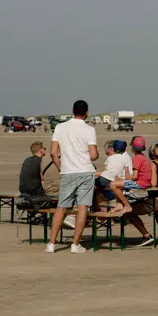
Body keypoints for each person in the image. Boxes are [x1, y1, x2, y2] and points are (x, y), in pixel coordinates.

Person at [46, 100, 99, 253]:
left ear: (72, 111)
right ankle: (75, 244)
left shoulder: (60, 127)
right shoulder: (89, 129)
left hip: (68, 171)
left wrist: (60, 167)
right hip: (85, 171)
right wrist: (95, 155)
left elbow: (53, 152)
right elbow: (93, 155)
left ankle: (51, 243)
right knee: (83, 207)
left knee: (61, 207)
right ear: (86, 113)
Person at [95, 140, 133, 215]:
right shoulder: (126, 158)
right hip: (117, 183)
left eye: (107, 153)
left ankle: (96, 214)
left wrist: (93, 173)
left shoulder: (111, 158)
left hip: (108, 181)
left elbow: (105, 172)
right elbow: (127, 173)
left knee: (90, 188)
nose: (107, 155)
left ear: (113, 149)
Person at [19, 141, 54, 212]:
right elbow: (43, 178)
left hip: (23, 190)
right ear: (41, 151)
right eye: (44, 148)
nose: (45, 150)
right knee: (52, 198)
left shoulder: (27, 160)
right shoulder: (41, 161)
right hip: (35, 191)